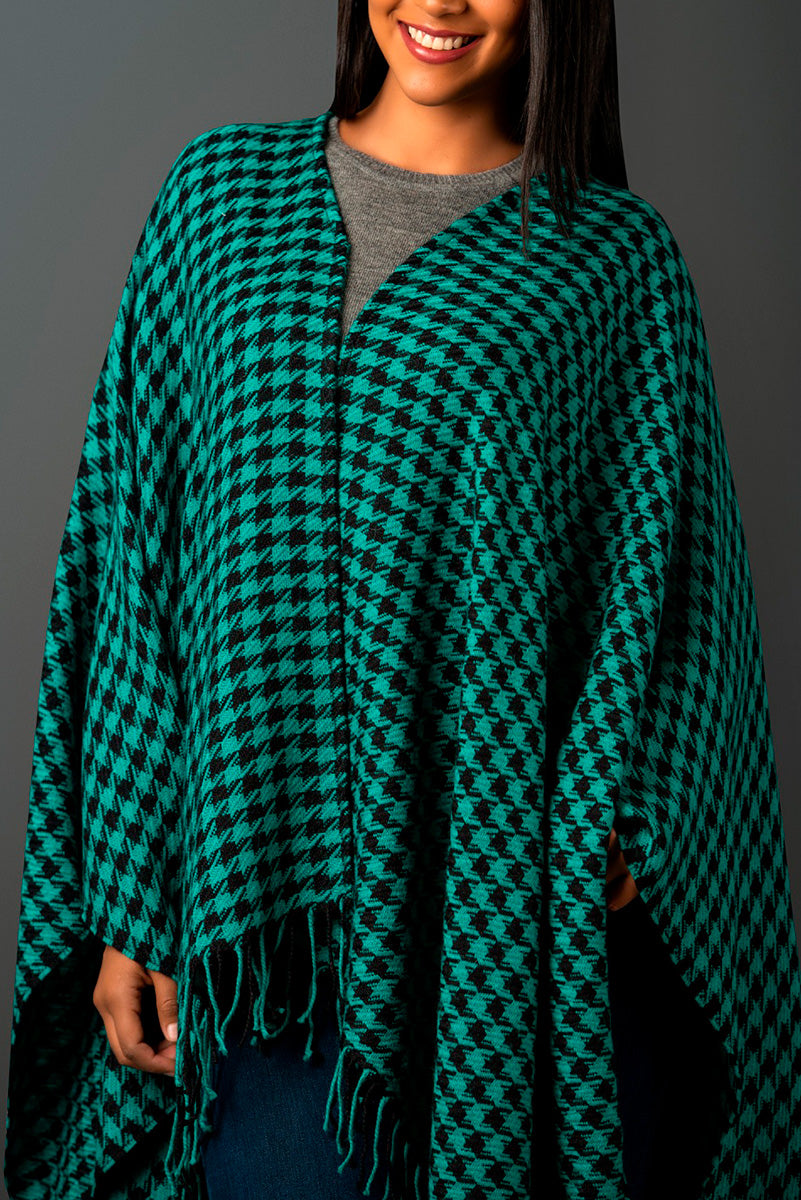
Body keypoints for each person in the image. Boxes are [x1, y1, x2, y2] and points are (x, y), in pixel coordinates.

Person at [5, 3, 801, 1200]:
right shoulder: (216, 201)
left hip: (504, 944)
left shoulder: (611, 263)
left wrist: (630, 818)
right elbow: (135, 554)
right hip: (261, 942)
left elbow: (684, 599)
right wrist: (131, 896)